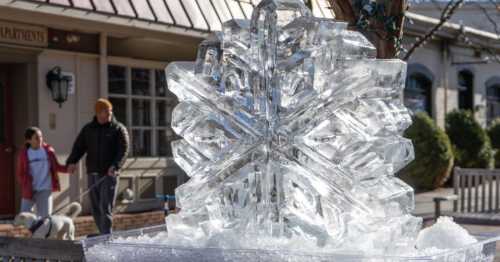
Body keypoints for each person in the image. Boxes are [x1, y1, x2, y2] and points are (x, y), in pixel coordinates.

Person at [66, 98, 129, 235]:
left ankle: (106, 238)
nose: (109, 114)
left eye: (110, 111)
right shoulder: (89, 129)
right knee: (95, 208)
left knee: (104, 207)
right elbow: (79, 147)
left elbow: (123, 150)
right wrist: (72, 162)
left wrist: (115, 166)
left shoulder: (118, 129)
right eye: (106, 111)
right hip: (93, 173)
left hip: (109, 174)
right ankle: (103, 234)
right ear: (98, 113)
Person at [16, 127, 68, 218]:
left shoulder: (48, 151)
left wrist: (68, 169)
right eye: (36, 137)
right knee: (24, 217)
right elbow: (20, 173)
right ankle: (32, 232)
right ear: (28, 140)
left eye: (41, 136)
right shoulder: (24, 154)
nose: (40, 139)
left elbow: (56, 166)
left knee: (45, 219)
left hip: (45, 189)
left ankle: (43, 232)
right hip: (29, 189)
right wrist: (25, 183)